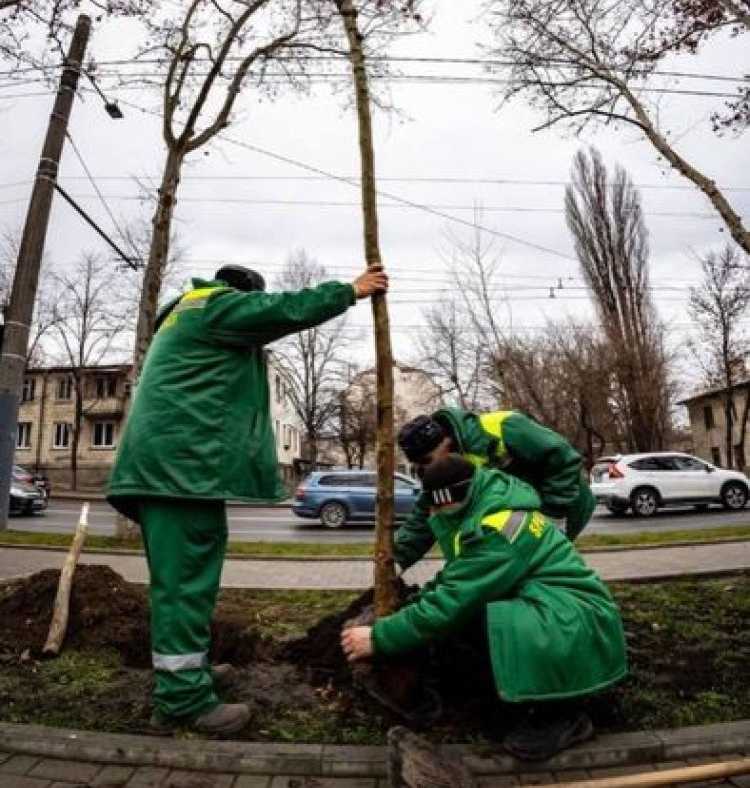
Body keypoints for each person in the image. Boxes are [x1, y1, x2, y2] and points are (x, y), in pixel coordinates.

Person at [108, 260, 388, 738]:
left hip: (174, 470)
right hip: (180, 470)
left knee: (186, 583)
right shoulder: (216, 305)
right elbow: (284, 309)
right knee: (184, 587)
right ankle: (183, 700)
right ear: (242, 294)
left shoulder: (187, 314)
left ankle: (189, 672)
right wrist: (350, 290)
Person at [341, 455, 627, 761]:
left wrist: (380, 637)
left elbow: (453, 601)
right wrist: (412, 606)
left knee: (480, 619)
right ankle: (489, 694)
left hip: (572, 622)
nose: (432, 515)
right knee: (472, 620)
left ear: (453, 499)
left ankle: (561, 714)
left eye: (436, 508)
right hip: (563, 613)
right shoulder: (490, 506)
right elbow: (456, 577)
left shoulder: (499, 530)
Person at [395, 408, 595, 574]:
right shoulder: (443, 468)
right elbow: (424, 516)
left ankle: (569, 601)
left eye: (427, 461)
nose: (427, 469)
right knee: (504, 568)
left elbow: (564, 458)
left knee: (541, 566)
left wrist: (553, 514)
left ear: (446, 441)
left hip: (565, 502)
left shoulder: (503, 427)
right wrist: (396, 560)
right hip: (517, 514)